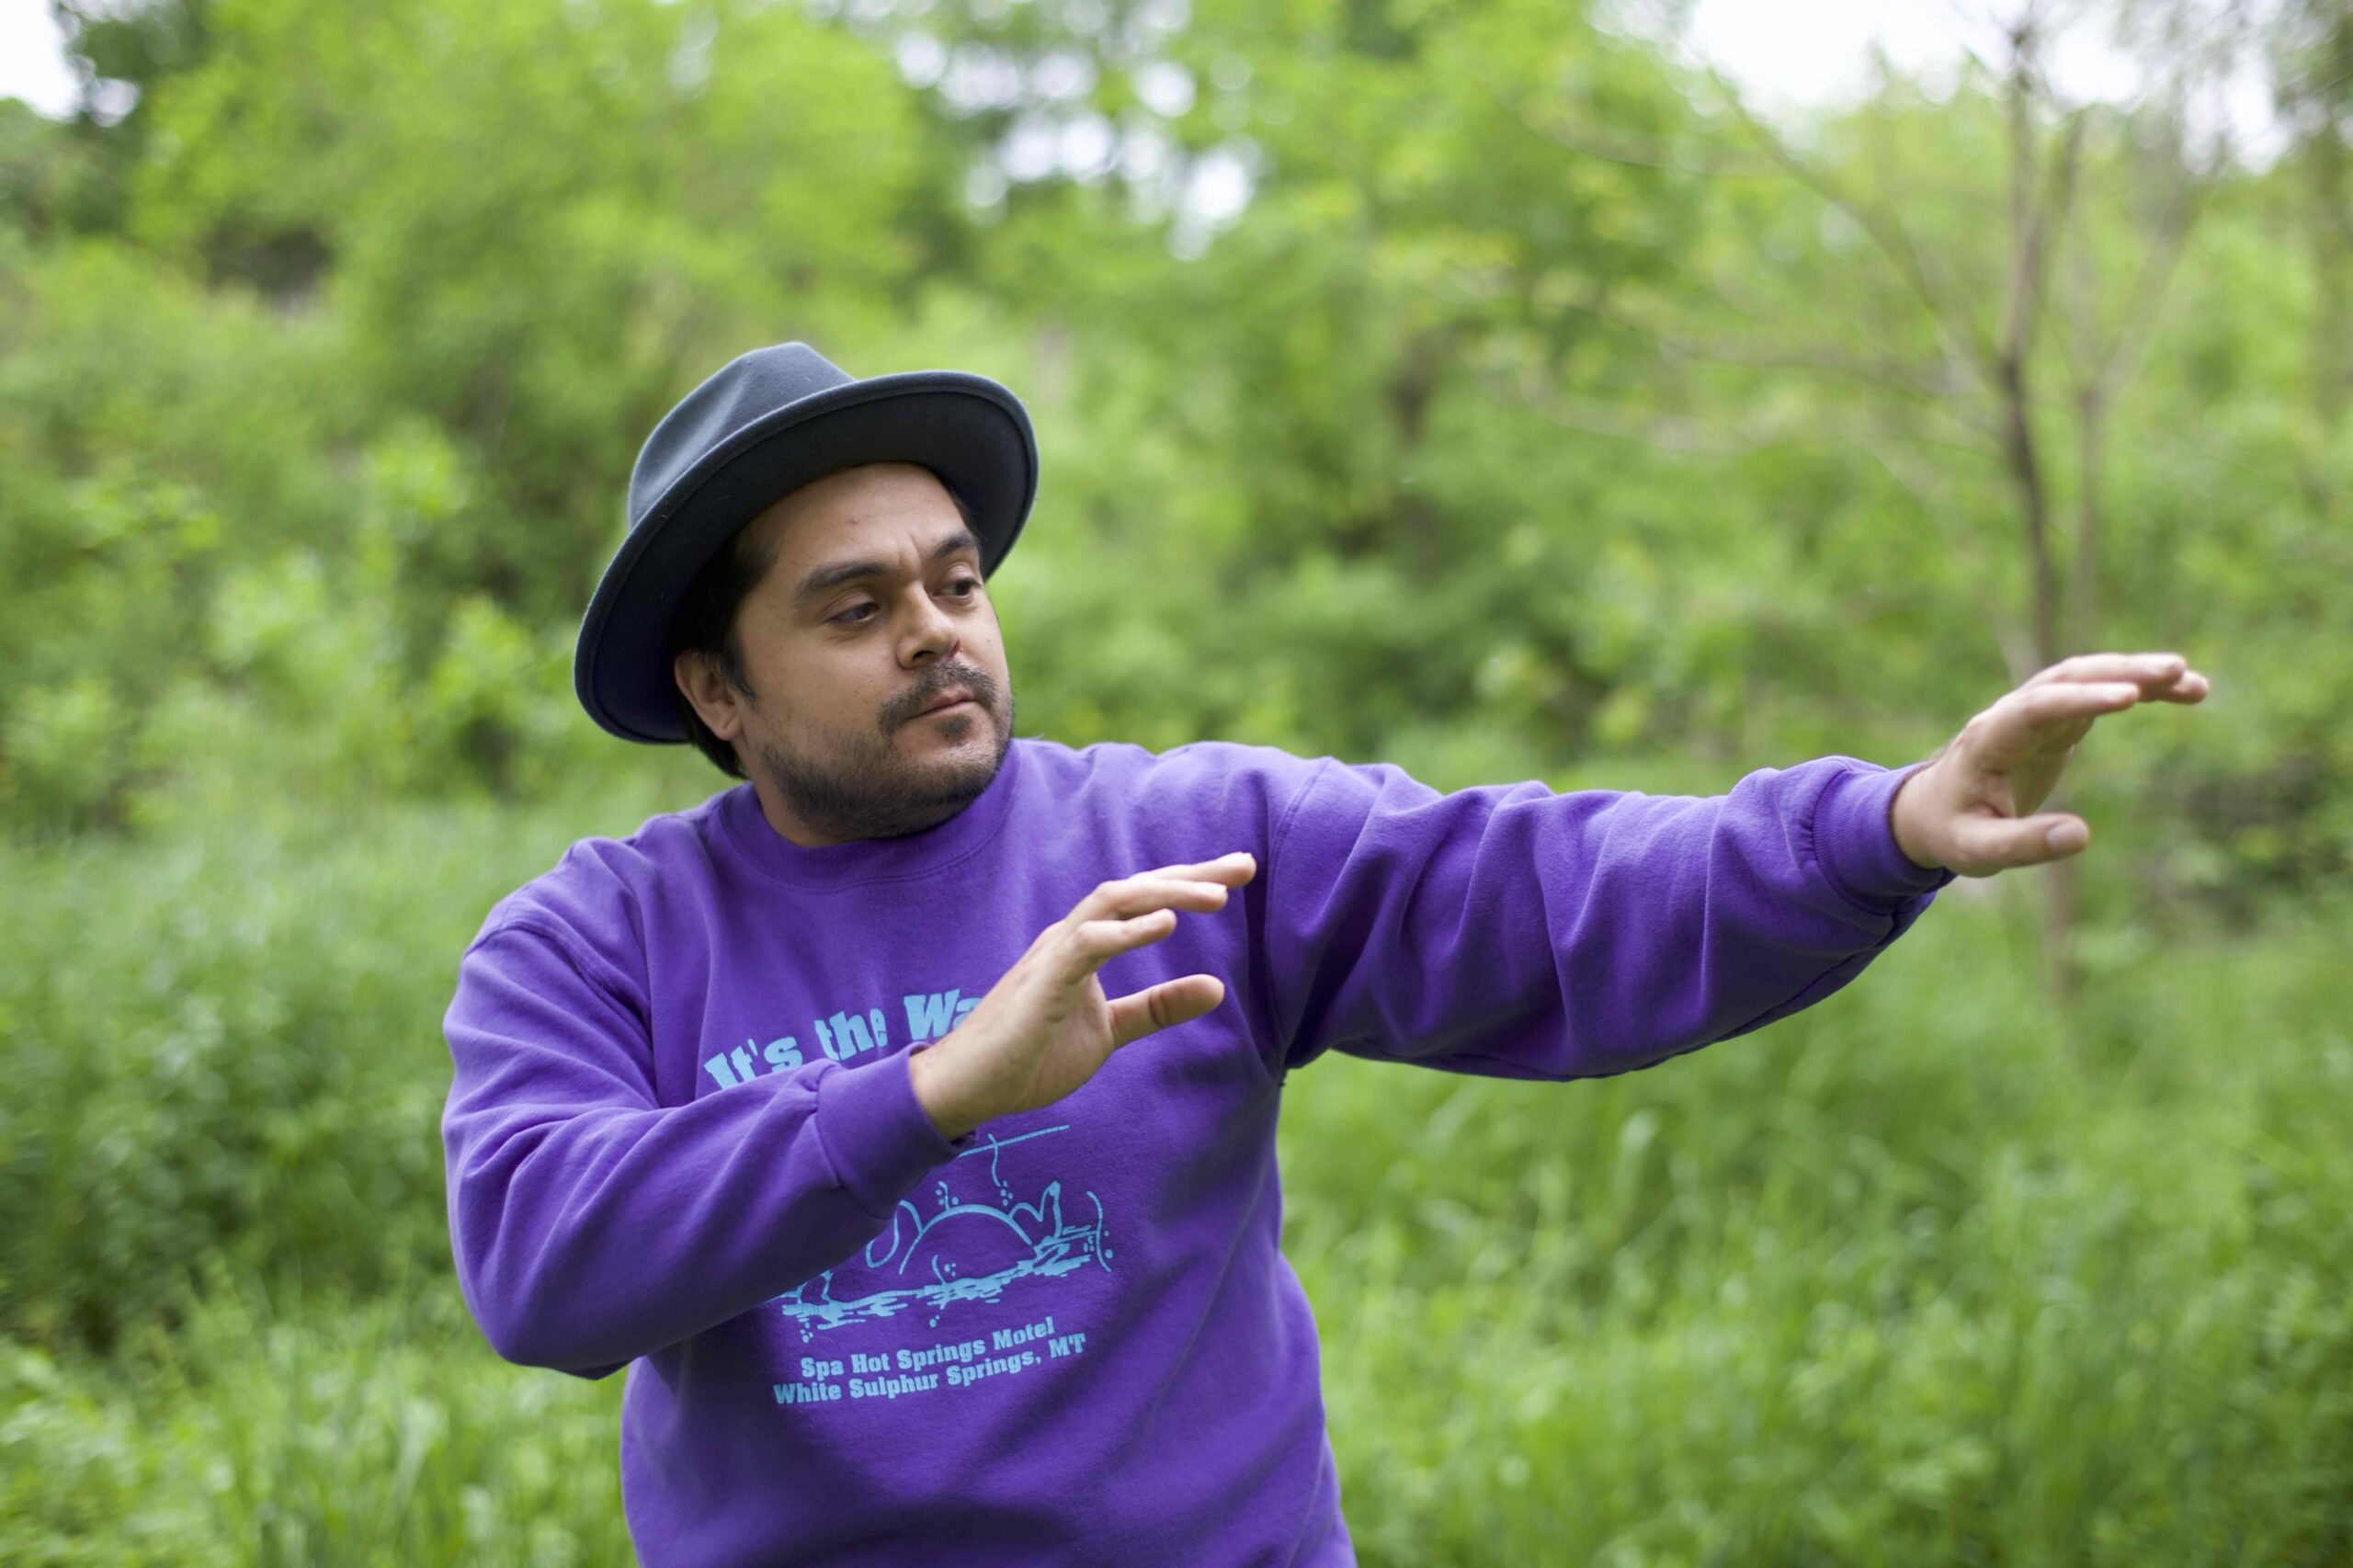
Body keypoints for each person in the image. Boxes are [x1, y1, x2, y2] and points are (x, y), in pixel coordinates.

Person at [439, 342, 2209, 1568]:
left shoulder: (1187, 843)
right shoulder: (595, 943)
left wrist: (1882, 825)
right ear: (715, 689)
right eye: (854, 605)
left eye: (956, 582)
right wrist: (933, 1093)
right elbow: (542, 1257)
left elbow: (1551, 896)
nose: (934, 633)